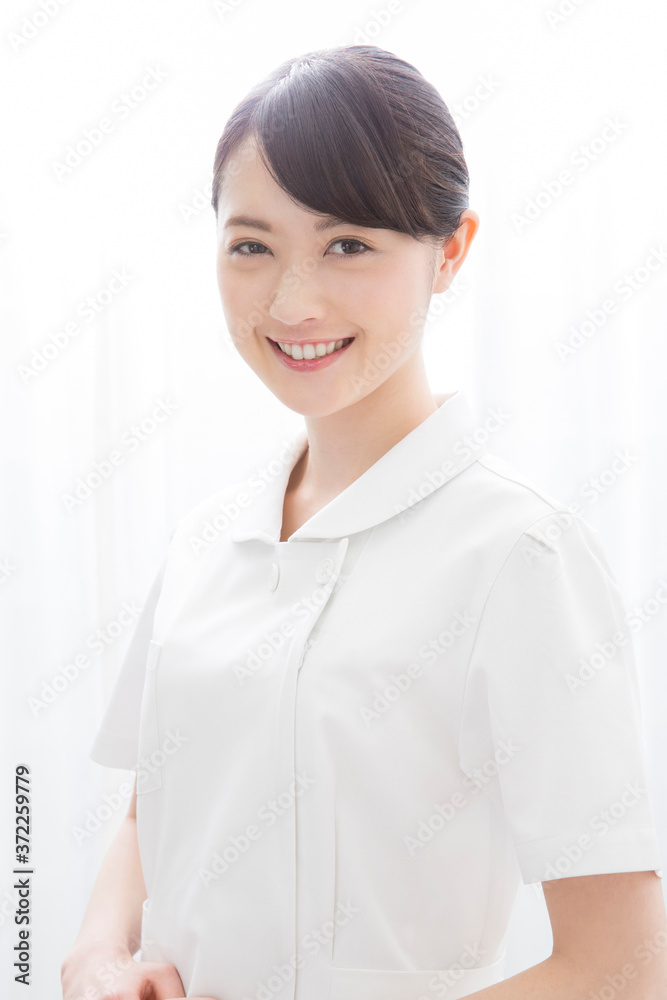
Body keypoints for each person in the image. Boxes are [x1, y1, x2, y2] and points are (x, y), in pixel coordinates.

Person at [61, 44, 666, 1000]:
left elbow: (622, 965)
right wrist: (95, 957)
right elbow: (152, 811)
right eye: (251, 246)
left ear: (450, 251)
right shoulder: (205, 541)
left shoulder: (518, 554)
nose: (291, 302)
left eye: (347, 245)